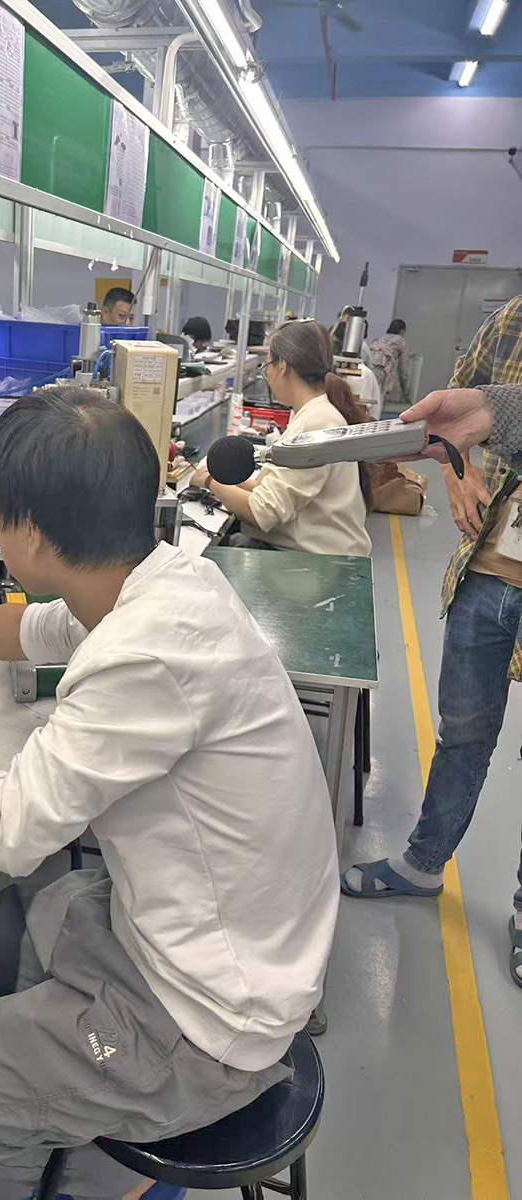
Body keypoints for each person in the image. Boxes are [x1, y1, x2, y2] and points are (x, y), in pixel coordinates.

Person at [0, 387, 340, 1200]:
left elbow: (8, 831)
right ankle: (36, 1098)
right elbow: (33, 630)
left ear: (34, 536)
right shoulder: (162, 583)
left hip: (205, 1030)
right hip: (224, 952)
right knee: (13, 926)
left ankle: (27, 1157)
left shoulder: (143, 655)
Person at [342, 296, 522, 989]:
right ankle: (422, 863)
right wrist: (457, 469)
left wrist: (499, 413)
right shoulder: (509, 323)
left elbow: (487, 411)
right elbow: (454, 421)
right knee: (463, 733)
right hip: (488, 568)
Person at [192, 320, 373, 557]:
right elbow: (277, 488)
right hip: (315, 554)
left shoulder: (317, 422)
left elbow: (263, 512)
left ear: (283, 367)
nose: (267, 374)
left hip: (316, 563)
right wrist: (221, 477)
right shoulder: (315, 413)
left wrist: (209, 482)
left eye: (268, 364)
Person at [369, 319, 411, 409]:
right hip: (383, 371)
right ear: (402, 331)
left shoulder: (380, 339)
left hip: (369, 368)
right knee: (377, 404)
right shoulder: (401, 341)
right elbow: (403, 370)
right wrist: (406, 392)